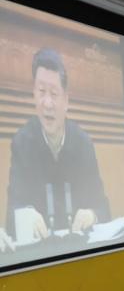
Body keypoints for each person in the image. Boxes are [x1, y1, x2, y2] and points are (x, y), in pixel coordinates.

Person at [5, 48, 110, 239]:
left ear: (66, 101)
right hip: (42, 252)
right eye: (41, 92)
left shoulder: (83, 143)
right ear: (34, 95)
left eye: (54, 93)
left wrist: (92, 215)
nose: (47, 103)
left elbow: (103, 208)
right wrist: (24, 215)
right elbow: (11, 215)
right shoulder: (21, 143)